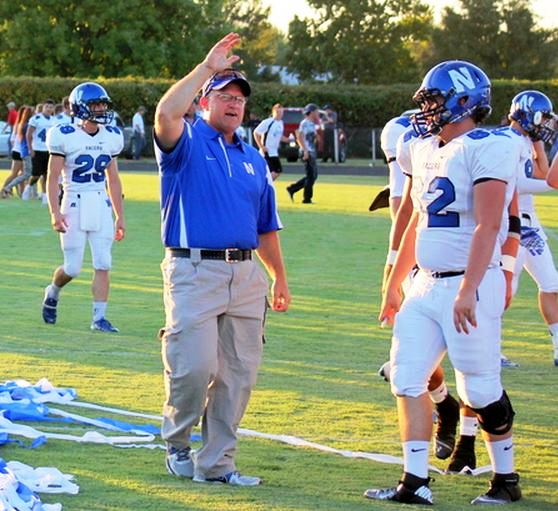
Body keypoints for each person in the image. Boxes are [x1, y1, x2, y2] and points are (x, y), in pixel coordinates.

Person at [369, 60, 522, 505]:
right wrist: (394, 282)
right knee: (406, 376)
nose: (427, 110)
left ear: (462, 101)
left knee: (481, 388)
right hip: (424, 285)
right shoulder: (421, 148)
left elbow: (489, 224)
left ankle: (506, 479)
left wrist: (468, 289)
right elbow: (417, 218)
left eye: (434, 100)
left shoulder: (490, 146)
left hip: (469, 282)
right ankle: (414, 481)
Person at [154, 32, 290, 486]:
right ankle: (177, 441)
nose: (234, 103)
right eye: (224, 95)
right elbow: (165, 113)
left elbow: (266, 227)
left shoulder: (253, 158)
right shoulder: (187, 143)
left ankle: (217, 465)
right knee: (195, 367)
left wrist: (279, 279)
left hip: (246, 274)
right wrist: (206, 67)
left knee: (236, 375)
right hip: (194, 270)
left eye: (240, 99)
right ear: (205, 101)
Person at [41, 82, 125, 333]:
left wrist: (120, 216)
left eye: (102, 104)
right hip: (74, 201)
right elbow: (53, 176)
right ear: (80, 107)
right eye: (95, 105)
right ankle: (53, 290)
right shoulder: (63, 134)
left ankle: (99, 318)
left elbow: (113, 178)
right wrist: (55, 212)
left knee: (103, 262)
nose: (100, 109)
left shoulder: (111, 135)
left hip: (100, 202)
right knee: (72, 268)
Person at [506, 90, 558, 366]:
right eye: (543, 118)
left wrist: (537, 144)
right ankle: (488, 348)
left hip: (530, 224)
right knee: (504, 292)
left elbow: (544, 173)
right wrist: (550, 186)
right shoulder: (507, 142)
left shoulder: (525, 141)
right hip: (510, 226)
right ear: (530, 114)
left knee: (551, 283)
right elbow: (521, 183)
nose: (546, 124)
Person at [22, 99, 56, 201]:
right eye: (47, 107)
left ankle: (45, 195)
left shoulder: (53, 120)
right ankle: (28, 188)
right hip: (37, 149)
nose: (49, 109)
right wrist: (30, 148)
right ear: (43, 107)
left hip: (49, 150)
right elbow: (28, 134)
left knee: (47, 174)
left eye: (51, 107)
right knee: (36, 175)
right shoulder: (36, 118)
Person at [286, 103, 320, 204]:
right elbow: (299, 137)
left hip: (311, 151)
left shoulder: (312, 124)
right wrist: (305, 150)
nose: (318, 114)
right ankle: (307, 198)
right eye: (317, 112)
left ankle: (292, 188)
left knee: (313, 176)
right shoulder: (305, 123)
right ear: (312, 112)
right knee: (311, 176)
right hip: (306, 151)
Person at [2, 106, 34, 198]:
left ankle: (21, 192)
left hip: (17, 150)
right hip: (19, 151)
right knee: (15, 174)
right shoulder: (23, 125)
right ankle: (4, 190)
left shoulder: (19, 124)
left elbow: (12, 140)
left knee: (22, 174)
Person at [253, 103, 289, 181]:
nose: (280, 114)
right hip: (267, 152)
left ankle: (265, 186)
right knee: (276, 171)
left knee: (274, 171)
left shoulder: (280, 123)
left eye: (282, 112)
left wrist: (287, 140)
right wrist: (262, 147)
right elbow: (256, 133)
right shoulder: (268, 122)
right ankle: (265, 186)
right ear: (274, 112)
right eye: (278, 112)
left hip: (274, 152)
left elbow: (278, 136)